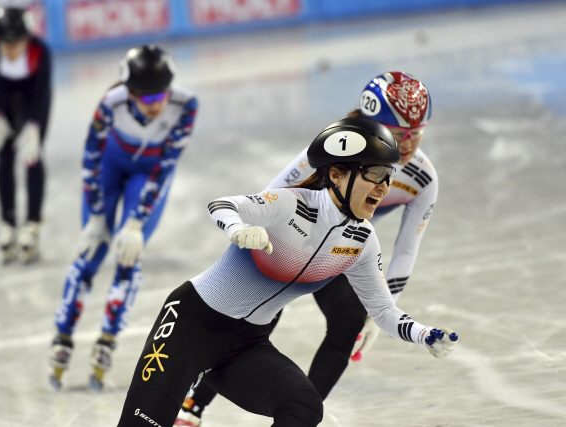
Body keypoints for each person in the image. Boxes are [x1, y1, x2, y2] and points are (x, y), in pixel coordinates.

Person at [117, 117, 457, 427]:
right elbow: (222, 205)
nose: (384, 188)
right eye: (374, 174)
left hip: (244, 346)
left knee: (304, 406)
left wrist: (423, 334)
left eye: (389, 177)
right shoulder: (291, 203)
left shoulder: (362, 242)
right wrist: (236, 229)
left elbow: (382, 310)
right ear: (336, 173)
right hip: (189, 326)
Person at [174, 71, 437, 425]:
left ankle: (296, 418)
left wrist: (383, 308)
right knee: (259, 316)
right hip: (292, 239)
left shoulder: (422, 179)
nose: (408, 146)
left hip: (341, 250)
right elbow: (270, 194)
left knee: (348, 322)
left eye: (417, 134)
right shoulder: (336, 151)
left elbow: (406, 250)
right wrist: (250, 240)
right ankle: (193, 405)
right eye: (402, 134)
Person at [48, 45, 198, 391]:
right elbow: (90, 160)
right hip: (110, 168)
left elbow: (165, 167)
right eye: (146, 98)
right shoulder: (110, 103)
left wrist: (135, 223)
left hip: (149, 175)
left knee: (129, 255)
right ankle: (63, 334)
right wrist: (98, 216)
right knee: (92, 251)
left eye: (161, 95)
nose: (156, 104)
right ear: (129, 93)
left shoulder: (186, 105)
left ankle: (107, 339)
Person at [0, 6, 52, 264]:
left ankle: (32, 224)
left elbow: (42, 94)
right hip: (3, 102)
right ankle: (8, 223)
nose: (12, 49)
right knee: (4, 156)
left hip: (33, 101)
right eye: (6, 44)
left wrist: (34, 126)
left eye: (17, 43)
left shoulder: (41, 52)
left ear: (27, 39)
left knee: (33, 155)